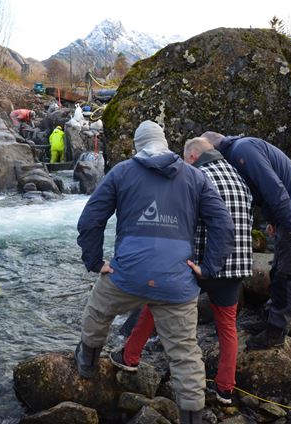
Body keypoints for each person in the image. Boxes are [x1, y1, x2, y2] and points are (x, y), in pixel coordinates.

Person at [76, 121, 234, 424]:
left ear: (138, 146)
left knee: (98, 312)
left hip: (128, 274)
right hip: (176, 280)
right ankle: (192, 417)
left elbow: (90, 219)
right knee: (185, 352)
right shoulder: (196, 177)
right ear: (165, 142)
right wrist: (209, 267)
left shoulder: (122, 172)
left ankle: (86, 365)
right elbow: (223, 226)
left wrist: (95, 261)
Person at [110, 137, 253, 405]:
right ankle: (225, 390)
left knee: (156, 305)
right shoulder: (238, 176)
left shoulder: (196, 177)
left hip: (198, 262)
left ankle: (129, 357)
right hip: (237, 266)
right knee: (227, 329)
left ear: (191, 157)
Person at [200, 131, 291, 351]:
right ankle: (269, 319)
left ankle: (275, 333)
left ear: (213, 149)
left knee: (288, 274)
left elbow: (273, 187)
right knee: (277, 271)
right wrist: (274, 221)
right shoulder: (239, 150)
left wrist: (287, 226)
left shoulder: (242, 150)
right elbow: (265, 189)